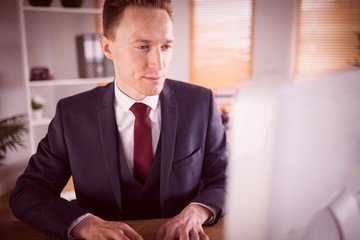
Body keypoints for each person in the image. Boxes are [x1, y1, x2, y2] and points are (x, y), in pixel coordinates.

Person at [10, 0, 228, 239]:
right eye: (143, 46)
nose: (158, 63)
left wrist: (197, 211)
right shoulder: (71, 114)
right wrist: (82, 223)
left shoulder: (200, 103)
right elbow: (28, 192)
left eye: (166, 46)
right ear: (107, 48)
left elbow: (227, 179)